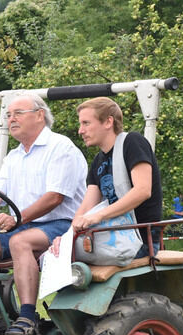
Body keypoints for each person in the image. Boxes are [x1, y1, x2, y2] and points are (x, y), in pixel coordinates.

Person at [0, 95, 86, 335]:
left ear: (39, 115)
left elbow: (55, 198)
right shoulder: (14, 156)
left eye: (18, 113)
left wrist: (17, 220)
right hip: (24, 225)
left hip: (63, 225)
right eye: (8, 115)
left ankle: (28, 317)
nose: (11, 119)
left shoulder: (60, 148)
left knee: (19, 242)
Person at [53, 98, 162, 258]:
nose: (80, 131)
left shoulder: (132, 142)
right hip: (111, 237)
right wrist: (67, 237)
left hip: (139, 241)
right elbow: (85, 209)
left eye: (86, 123)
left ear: (108, 122)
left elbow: (143, 190)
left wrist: (99, 215)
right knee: (54, 255)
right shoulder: (98, 161)